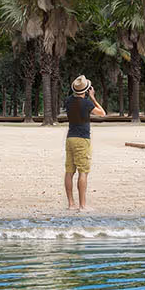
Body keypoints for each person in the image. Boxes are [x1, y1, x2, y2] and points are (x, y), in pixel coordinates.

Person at [63, 74, 97, 210]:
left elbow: (74, 98)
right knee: (83, 172)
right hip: (82, 139)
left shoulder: (68, 101)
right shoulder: (87, 103)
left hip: (70, 138)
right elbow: (102, 113)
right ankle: (82, 205)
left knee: (69, 171)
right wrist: (93, 98)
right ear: (87, 90)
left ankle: (71, 203)